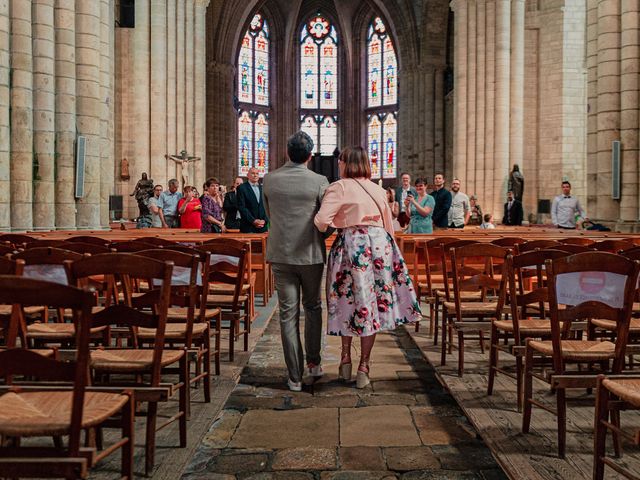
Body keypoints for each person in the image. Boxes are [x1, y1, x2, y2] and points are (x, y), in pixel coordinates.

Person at [315, 146, 421, 389]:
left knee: (347, 302)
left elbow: (321, 222)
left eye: (340, 162)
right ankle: (365, 366)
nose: (339, 165)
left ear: (346, 163)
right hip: (380, 248)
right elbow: (389, 227)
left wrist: (340, 222)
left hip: (353, 248)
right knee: (370, 305)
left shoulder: (339, 186)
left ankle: (344, 360)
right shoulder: (378, 190)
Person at [263, 131, 330, 392]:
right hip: (311, 254)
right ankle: (313, 364)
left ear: (286, 153)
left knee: (287, 314)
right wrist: (322, 236)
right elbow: (327, 219)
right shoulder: (320, 181)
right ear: (310, 156)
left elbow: (269, 215)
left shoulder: (269, 180)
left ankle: (294, 377)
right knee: (312, 307)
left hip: (281, 254)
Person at [237, 167, 268, 233]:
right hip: (248, 227)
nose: (255, 175)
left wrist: (264, 220)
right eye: (253, 173)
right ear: (247, 175)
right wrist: (253, 221)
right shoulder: (241, 188)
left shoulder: (263, 188)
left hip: (262, 227)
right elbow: (241, 207)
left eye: (257, 173)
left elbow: (267, 206)